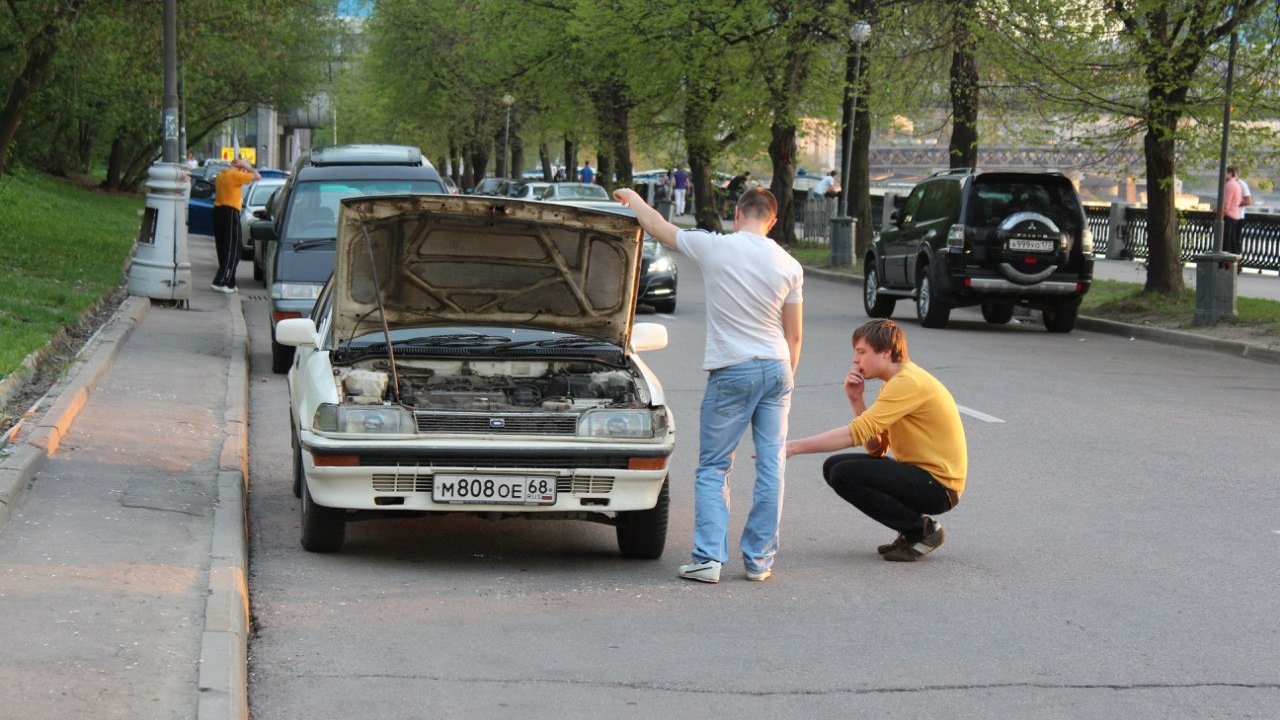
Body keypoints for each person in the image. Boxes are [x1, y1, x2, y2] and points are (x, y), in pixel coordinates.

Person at [612, 186, 804, 584]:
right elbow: (795, 336)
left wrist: (633, 197)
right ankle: (759, 561)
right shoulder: (790, 264)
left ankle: (708, 559)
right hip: (778, 367)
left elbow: (658, 226)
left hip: (733, 369)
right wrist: (786, 382)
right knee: (772, 467)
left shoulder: (715, 246)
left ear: (737, 214)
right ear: (773, 220)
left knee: (715, 467)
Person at [786, 319, 967, 563]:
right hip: (923, 476)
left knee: (844, 474)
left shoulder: (908, 383)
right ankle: (913, 531)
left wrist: (792, 447)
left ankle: (920, 531)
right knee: (834, 466)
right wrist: (856, 400)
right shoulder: (894, 383)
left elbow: (857, 433)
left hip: (940, 487)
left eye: (861, 352)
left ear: (885, 352)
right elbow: (877, 449)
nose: (856, 360)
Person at [211, 157, 261, 293]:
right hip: (230, 211)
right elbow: (257, 176)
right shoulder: (235, 175)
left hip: (218, 211)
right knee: (234, 248)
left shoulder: (222, 175)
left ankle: (230, 282)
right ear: (239, 166)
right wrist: (246, 166)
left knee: (223, 247)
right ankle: (221, 280)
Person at [1222, 166, 1245, 258]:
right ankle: (1234, 262)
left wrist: (1223, 211)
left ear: (1230, 173)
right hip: (1236, 215)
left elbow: (1227, 202)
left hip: (1229, 215)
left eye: (1225, 173)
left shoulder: (1230, 185)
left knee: (1226, 241)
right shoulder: (1237, 185)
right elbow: (1238, 201)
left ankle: (1225, 263)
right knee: (1233, 240)